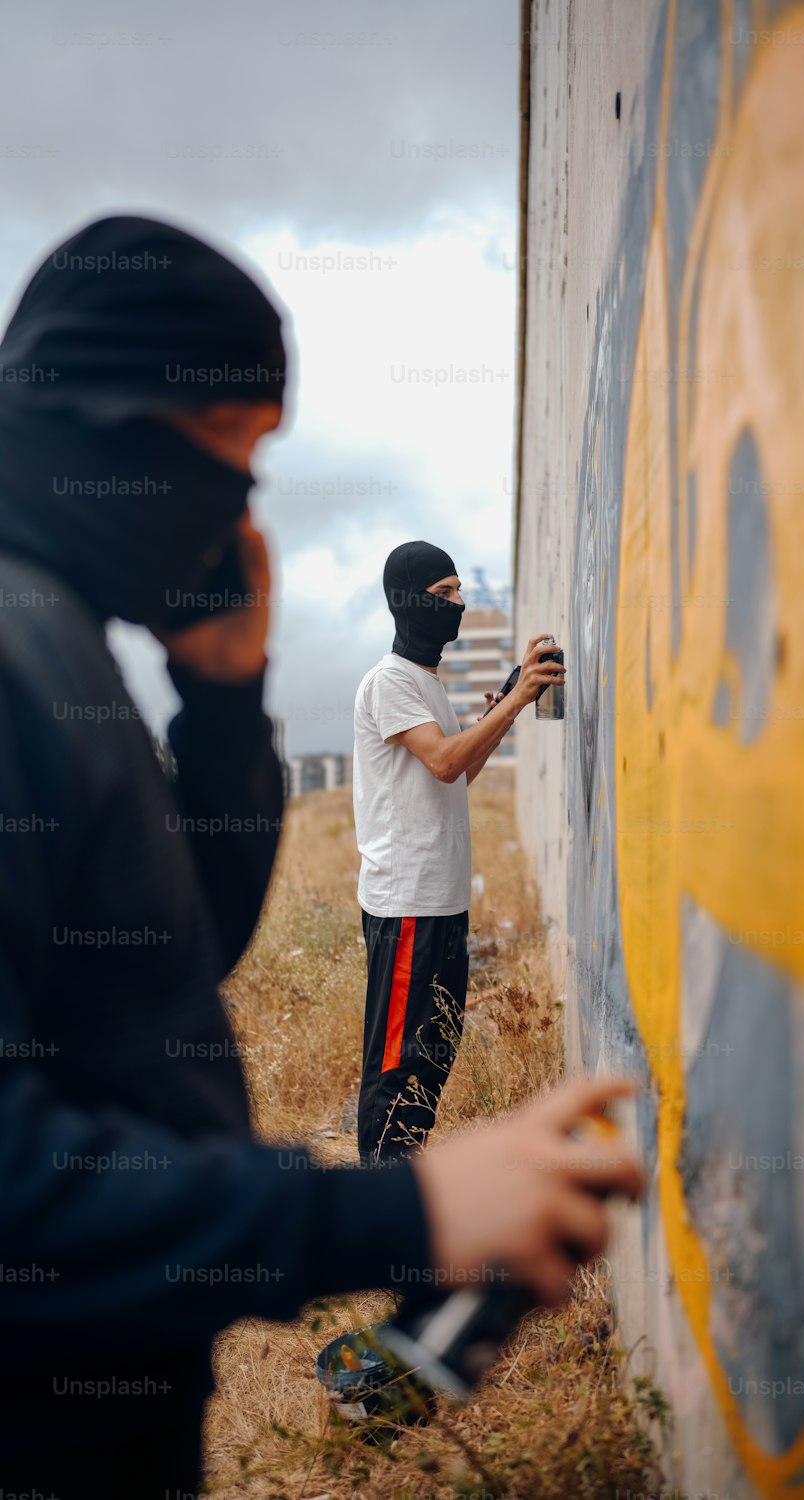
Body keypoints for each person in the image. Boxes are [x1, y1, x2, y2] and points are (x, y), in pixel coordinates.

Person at [0, 216, 640, 1499]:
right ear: (115, 418)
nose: (241, 507)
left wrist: (225, 702)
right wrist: (400, 1219)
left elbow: (168, 962)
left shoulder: (56, 635)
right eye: (232, 449)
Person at [353, 541, 567, 1162]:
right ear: (408, 600)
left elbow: (457, 772)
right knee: (396, 1064)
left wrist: (504, 706)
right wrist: (522, 699)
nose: (458, 605)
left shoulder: (426, 684)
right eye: (443, 594)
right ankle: (378, 1210)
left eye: (457, 593)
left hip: (440, 901)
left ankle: (404, 1190)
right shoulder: (390, 681)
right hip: (406, 903)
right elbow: (445, 763)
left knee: (431, 1055)